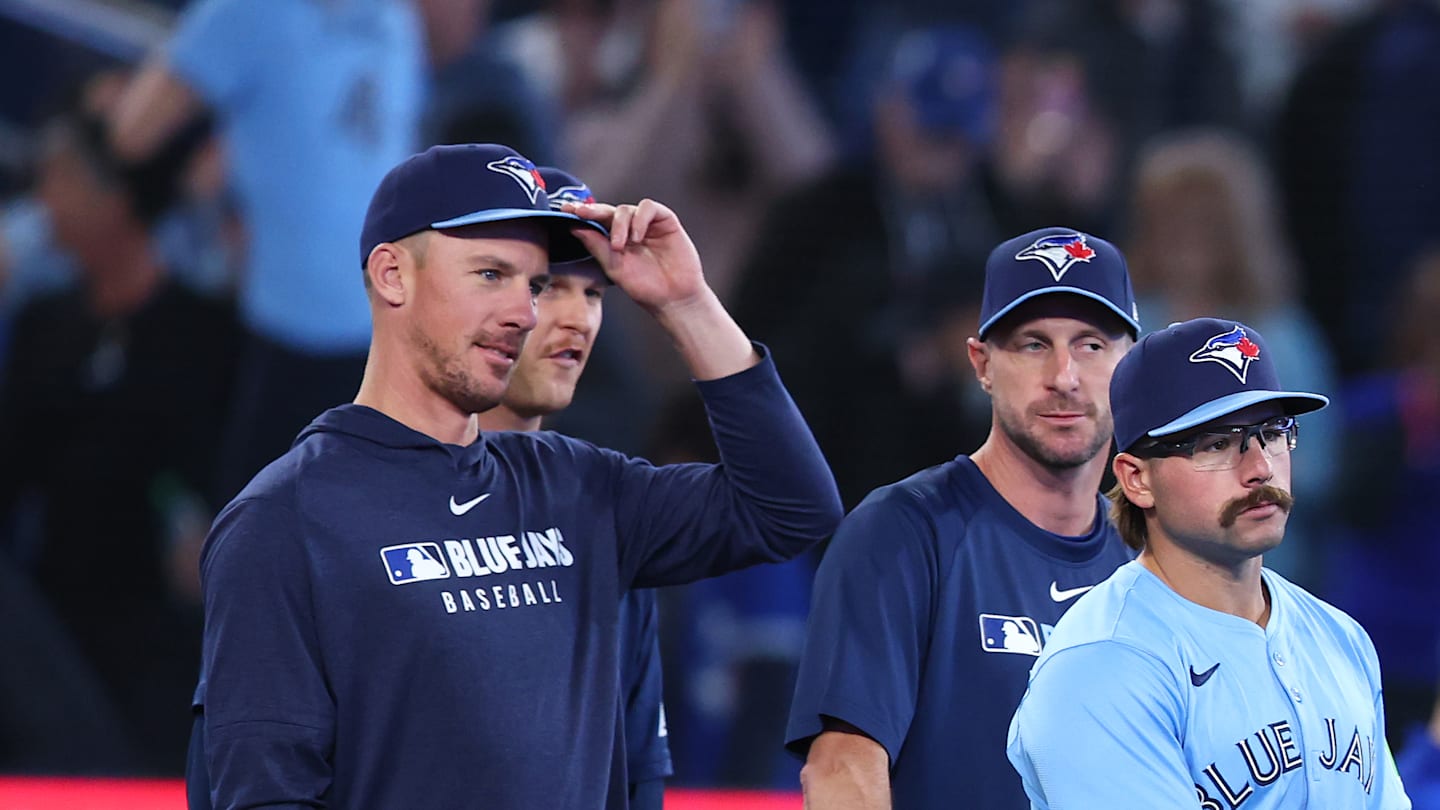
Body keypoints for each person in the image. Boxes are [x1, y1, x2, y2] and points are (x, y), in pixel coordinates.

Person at [195, 142, 843, 810]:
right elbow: (265, 794)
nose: (527, 313)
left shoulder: (584, 490)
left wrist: (687, 305)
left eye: (533, 285)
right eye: (491, 275)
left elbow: (792, 507)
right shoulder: (283, 520)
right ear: (392, 275)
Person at [785, 227, 1139, 808]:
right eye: (1032, 344)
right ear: (981, 364)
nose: (1064, 376)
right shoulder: (902, 532)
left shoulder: (1149, 558)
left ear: (1132, 366)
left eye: (1091, 345)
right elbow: (843, 768)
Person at [1007, 317, 1412, 808]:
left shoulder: (1338, 636)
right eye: (1217, 444)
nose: (1259, 467)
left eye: (1272, 433)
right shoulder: (1102, 666)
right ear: (1137, 479)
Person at [472, 166, 672, 810]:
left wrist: (685, 303)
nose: (577, 319)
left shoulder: (604, 505)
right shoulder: (342, 496)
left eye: (593, 293)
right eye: (547, 286)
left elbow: (637, 764)